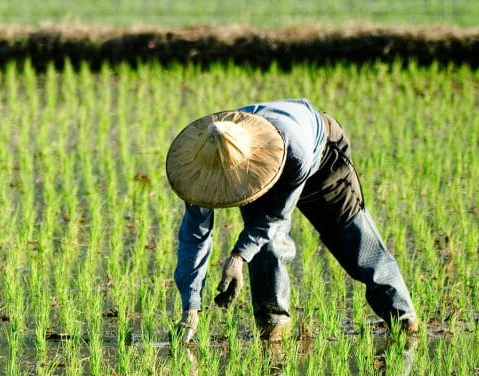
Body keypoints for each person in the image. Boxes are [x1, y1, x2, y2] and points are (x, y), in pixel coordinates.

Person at [166, 99, 419, 342]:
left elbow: (276, 216)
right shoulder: (200, 170)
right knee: (267, 248)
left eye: (229, 180)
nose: (223, 186)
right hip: (258, 166)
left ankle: (403, 319)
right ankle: (273, 331)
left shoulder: (295, 150)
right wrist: (191, 307)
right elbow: (194, 236)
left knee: (350, 238)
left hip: (320, 156)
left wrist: (238, 257)